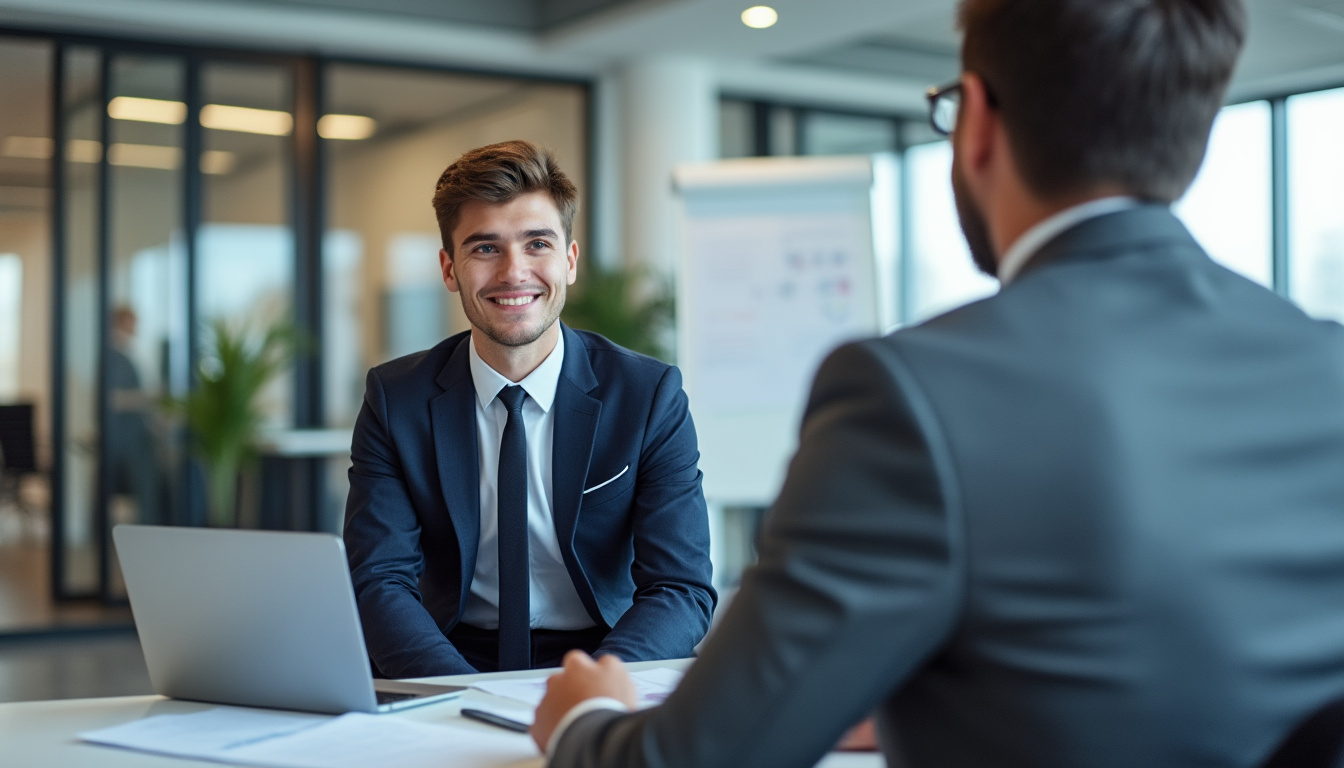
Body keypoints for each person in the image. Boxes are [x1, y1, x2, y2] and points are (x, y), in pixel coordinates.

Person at [532, 1, 1344, 766]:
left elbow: (692, 758)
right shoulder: (1325, 365)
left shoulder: (911, 393)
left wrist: (582, 716)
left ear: (977, 119)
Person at [344, 140, 715, 678]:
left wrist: (593, 687)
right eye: (484, 248)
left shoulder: (648, 396)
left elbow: (680, 588)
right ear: (449, 269)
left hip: (609, 652)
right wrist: (462, 696)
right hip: (445, 655)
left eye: (537, 243)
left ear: (569, 260)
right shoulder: (395, 399)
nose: (514, 272)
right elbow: (379, 581)